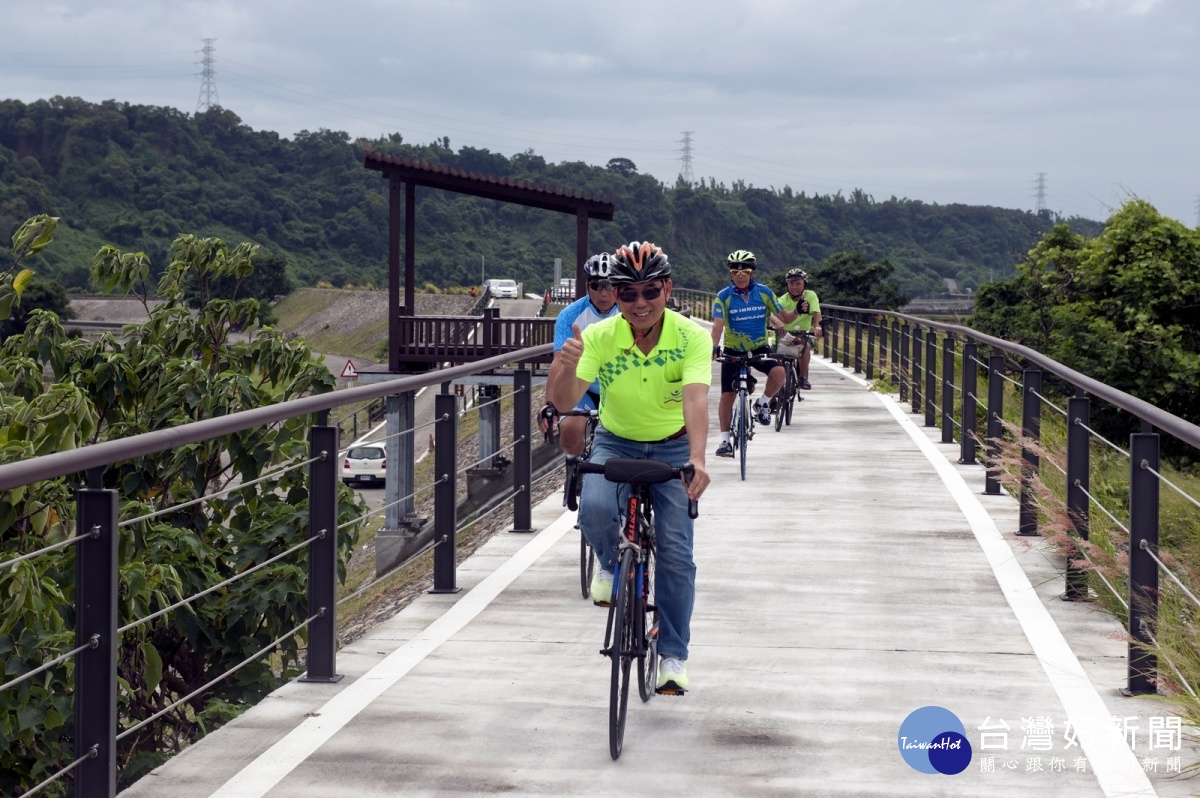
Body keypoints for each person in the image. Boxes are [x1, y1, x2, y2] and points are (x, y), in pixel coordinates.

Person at [551, 240, 711, 694]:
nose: (640, 304)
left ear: (667, 289)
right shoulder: (599, 337)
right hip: (616, 441)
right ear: (615, 298)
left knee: (678, 557)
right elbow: (565, 403)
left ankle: (673, 655)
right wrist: (566, 370)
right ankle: (614, 568)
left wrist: (697, 458)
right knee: (595, 512)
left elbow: (696, 398)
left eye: (650, 292)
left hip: (673, 448)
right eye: (627, 294)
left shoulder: (691, 337)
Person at [710, 249, 802, 458]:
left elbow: (785, 318)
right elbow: (717, 326)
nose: (740, 275)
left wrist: (798, 310)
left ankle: (762, 404)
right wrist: (715, 346)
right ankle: (725, 441)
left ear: (752, 272)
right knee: (727, 395)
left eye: (745, 271)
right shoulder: (723, 296)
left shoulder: (764, 292)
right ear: (731, 274)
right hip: (733, 349)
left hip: (759, 348)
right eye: (735, 271)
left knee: (779, 373)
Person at [538, 253, 620, 454]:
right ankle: (577, 471)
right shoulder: (570, 315)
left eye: (609, 285)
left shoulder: (629, 311)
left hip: (620, 386)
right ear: (587, 286)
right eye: (596, 286)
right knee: (570, 431)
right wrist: (550, 404)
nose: (603, 293)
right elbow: (559, 361)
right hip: (584, 387)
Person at [771, 268, 823, 390]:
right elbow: (773, 314)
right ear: (787, 285)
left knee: (804, 346)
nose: (794, 287)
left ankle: (802, 377)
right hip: (783, 336)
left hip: (803, 334)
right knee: (772, 365)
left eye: (798, 283)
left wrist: (817, 326)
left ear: (804, 284)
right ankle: (772, 400)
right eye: (791, 284)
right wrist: (778, 323)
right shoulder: (782, 299)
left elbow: (816, 313)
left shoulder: (811, 295)